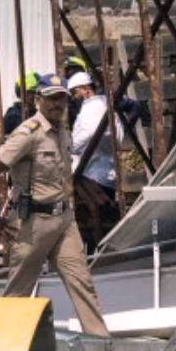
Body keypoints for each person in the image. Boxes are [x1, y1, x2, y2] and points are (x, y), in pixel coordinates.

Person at [0, 74, 111, 339]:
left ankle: (102, 347)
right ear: (37, 100)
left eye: (61, 97)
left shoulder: (63, 131)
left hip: (64, 220)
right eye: (50, 98)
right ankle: (1, 345)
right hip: (33, 224)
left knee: (82, 285)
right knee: (19, 290)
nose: (56, 103)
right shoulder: (29, 133)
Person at [68, 72, 120, 255]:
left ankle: (98, 251)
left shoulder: (93, 106)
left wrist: (71, 147)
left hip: (92, 171)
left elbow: (89, 133)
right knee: (101, 214)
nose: (73, 97)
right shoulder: (104, 104)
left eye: (74, 92)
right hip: (104, 169)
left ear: (84, 89)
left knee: (93, 215)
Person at [4, 71, 39, 136]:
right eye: (32, 92)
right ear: (21, 93)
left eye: (38, 92)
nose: (36, 96)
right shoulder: (12, 116)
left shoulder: (41, 113)